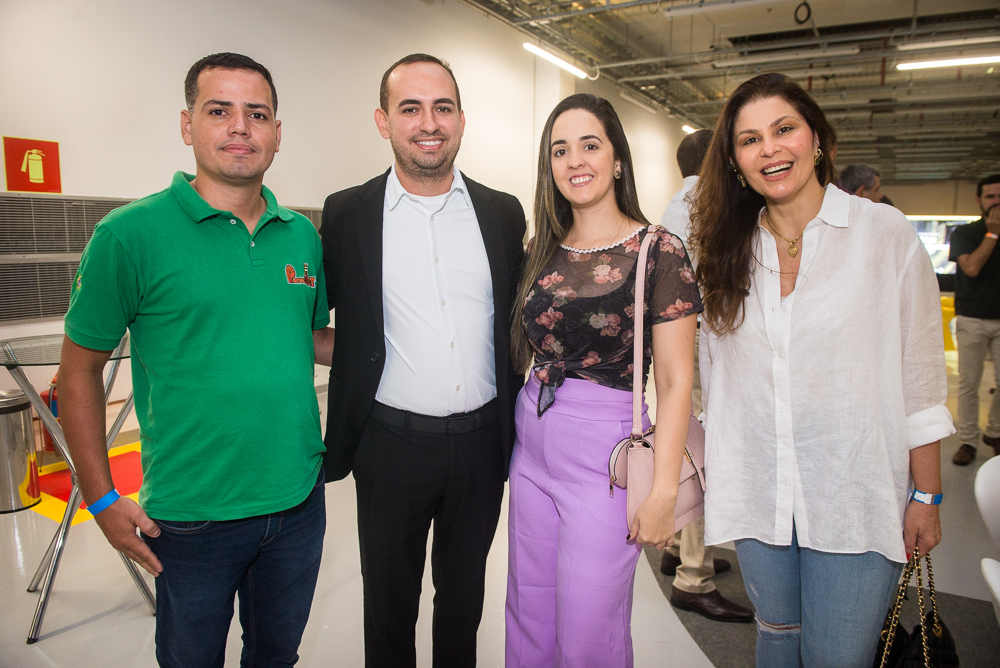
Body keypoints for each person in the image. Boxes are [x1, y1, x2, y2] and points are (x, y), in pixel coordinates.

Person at [58, 52, 333, 667]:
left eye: (257, 114)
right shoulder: (129, 235)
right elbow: (77, 372)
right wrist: (101, 500)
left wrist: (412, 345)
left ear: (277, 134)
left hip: (296, 505)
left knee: (275, 658)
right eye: (220, 111)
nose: (240, 127)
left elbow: (310, 340)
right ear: (188, 126)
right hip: (190, 520)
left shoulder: (302, 236)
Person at [689, 73, 954, 667]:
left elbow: (920, 379)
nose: (770, 149)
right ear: (735, 162)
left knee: (838, 657)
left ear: (817, 140)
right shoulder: (726, 252)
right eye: (750, 140)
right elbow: (718, 381)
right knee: (776, 641)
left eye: (784, 130)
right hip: (760, 491)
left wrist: (926, 494)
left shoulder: (882, 236)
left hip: (853, 489)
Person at [319, 53, 526, 667]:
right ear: (384, 121)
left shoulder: (501, 212)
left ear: (461, 120)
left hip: (484, 443)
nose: (427, 122)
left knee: (464, 604)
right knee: (389, 606)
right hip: (388, 446)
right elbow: (323, 323)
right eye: (410, 108)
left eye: (442, 107)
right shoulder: (346, 214)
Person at [506, 93, 702, 667]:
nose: (575, 160)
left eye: (589, 144)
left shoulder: (658, 250)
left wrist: (663, 490)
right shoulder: (541, 248)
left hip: (607, 452)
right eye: (559, 150)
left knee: (590, 626)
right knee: (528, 610)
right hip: (532, 439)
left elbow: (674, 380)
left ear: (617, 158)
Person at [658, 129, 753, 623]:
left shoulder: (675, 203)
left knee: (686, 445)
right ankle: (693, 577)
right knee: (698, 450)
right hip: (700, 342)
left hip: (680, 342)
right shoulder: (708, 201)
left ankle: (679, 547)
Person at [949, 174, 1000, 465]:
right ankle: (968, 440)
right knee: (969, 383)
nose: (996, 202)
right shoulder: (966, 234)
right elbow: (971, 268)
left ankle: (995, 432)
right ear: (980, 200)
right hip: (973, 318)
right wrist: (992, 234)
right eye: (990, 197)